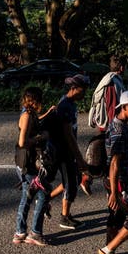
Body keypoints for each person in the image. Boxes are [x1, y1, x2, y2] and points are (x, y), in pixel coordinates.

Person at [97, 90, 128, 254]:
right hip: (118, 182)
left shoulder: (122, 126)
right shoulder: (118, 130)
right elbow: (114, 163)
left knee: (116, 217)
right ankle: (107, 250)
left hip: (120, 178)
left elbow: (121, 159)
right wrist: (115, 193)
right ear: (123, 107)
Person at [41, 74, 90, 230]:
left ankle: (46, 200)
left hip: (67, 151)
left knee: (72, 181)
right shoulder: (65, 106)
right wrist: (79, 158)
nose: (84, 94)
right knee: (72, 183)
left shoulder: (71, 103)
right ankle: (65, 217)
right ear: (74, 88)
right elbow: (68, 135)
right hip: (63, 151)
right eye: (83, 90)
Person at [82, 55, 126, 195]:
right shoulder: (113, 82)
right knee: (111, 157)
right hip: (109, 125)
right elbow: (113, 106)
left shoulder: (108, 78)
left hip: (104, 125)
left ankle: (95, 181)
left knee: (103, 156)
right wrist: (115, 125)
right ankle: (95, 182)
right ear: (122, 67)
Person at [13, 87, 51, 246]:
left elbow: (33, 123)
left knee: (27, 197)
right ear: (35, 101)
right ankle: (34, 233)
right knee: (42, 194)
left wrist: (48, 113)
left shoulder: (28, 113)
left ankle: (20, 232)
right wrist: (41, 137)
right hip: (28, 163)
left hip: (24, 162)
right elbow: (22, 142)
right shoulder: (27, 115)